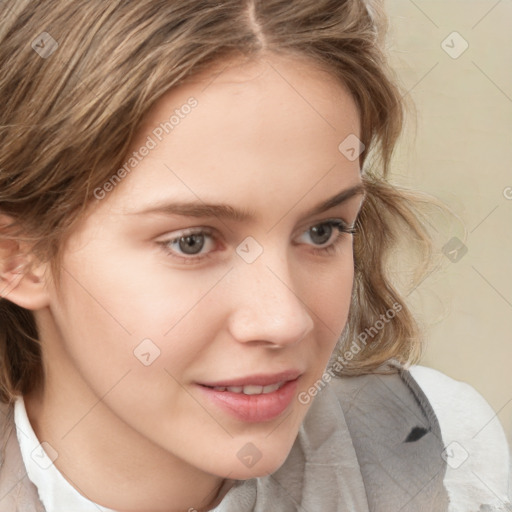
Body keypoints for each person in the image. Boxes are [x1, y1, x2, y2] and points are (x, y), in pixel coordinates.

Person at [0, 1, 510, 511]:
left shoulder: (444, 451)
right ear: (16, 257)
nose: (284, 321)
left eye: (321, 231)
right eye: (192, 242)